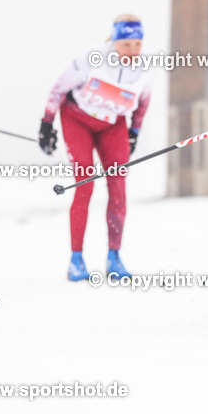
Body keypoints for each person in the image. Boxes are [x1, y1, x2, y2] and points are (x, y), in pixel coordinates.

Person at [39, 15, 153, 283]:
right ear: (114, 41)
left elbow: (143, 103)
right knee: (85, 184)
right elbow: (58, 88)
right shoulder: (93, 58)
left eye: (137, 44)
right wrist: (46, 123)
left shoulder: (147, 67)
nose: (132, 51)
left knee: (118, 187)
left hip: (113, 124)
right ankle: (76, 259)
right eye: (126, 44)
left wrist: (134, 132)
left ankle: (114, 257)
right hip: (77, 118)